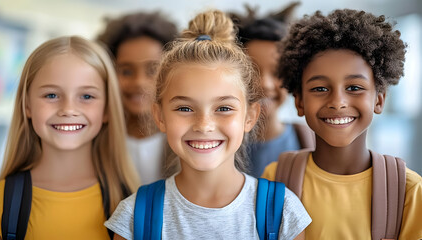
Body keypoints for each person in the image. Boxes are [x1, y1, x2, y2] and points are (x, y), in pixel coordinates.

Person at [104, 10, 311, 239]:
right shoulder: (133, 218)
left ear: (250, 116)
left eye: (223, 108)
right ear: (159, 116)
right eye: (185, 108)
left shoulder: (283, 212)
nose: (204, 125)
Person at [262, 9, 422, 239]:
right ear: (299, 101)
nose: (337, 102)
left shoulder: (409, 190)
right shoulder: (275, 178)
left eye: (354, 88)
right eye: (320, 89)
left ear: (379, 99)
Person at [0, 36, 140, 240]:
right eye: (51, 95)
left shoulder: (133, 204)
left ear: (107, 108)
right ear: (27, 105)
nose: (68, 110)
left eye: (87, 96)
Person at [230, 3, 315, 178]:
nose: (265, 84)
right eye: (252, 70)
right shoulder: (216, 144)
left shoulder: (312, 144)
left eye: (277, 72)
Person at [97, 12, 178, 184]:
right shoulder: (96, 141)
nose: (139, 82)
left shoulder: (184, 139)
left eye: (152, 70)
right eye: (126, 71)